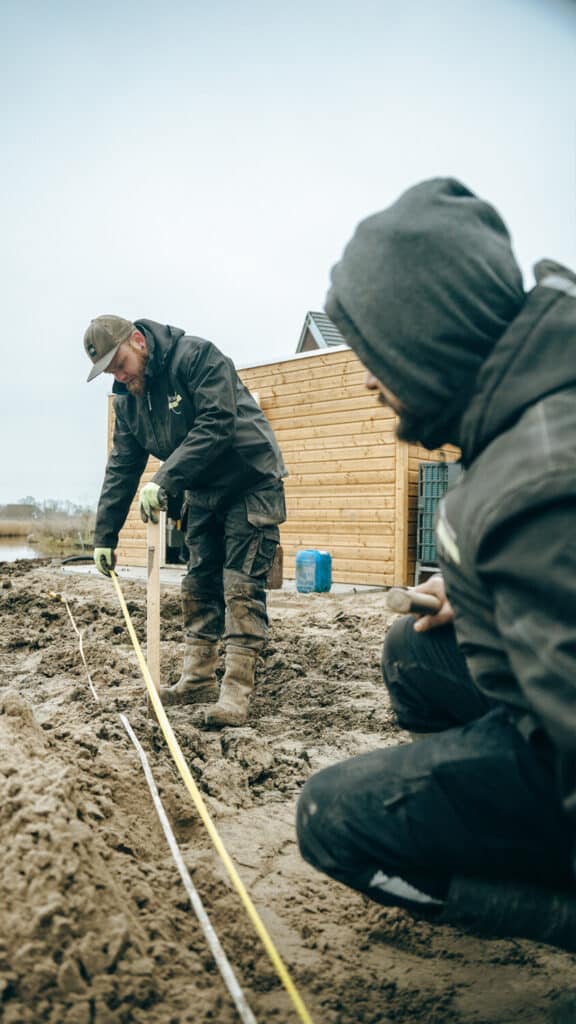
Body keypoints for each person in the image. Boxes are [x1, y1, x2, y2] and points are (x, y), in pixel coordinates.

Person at [296, 177, 576, 950]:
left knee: (331, 820)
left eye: (374, 351)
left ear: (426, 338)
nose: (365, 377)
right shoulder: (536, 400)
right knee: (411, 655)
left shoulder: (538, 489)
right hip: (542, 697)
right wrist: (476, 589)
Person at [84, 315, 287, 727]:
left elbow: (217, 423)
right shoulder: (128, 400)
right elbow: (122, 465)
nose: (118, 376)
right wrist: (104, 535)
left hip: (249, 477)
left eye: (119, 364)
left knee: (240, 585)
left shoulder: (196, 357)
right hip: (202, 490)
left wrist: (164, 479)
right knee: (198, 584)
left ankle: (235, 691)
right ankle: (197, 679)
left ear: (138, 341)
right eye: (109, 372)